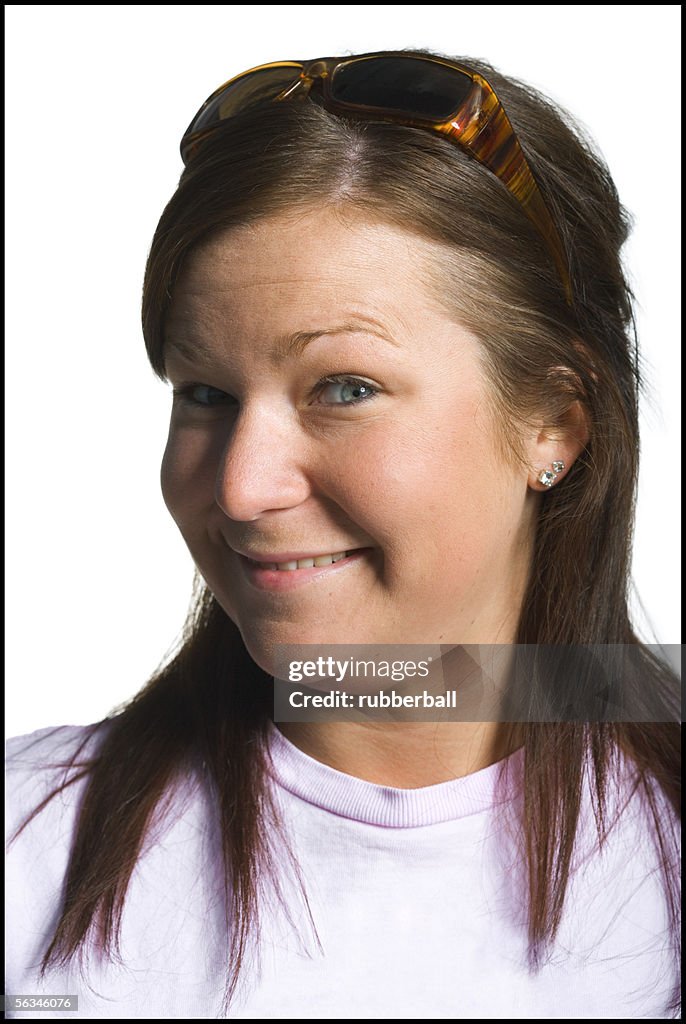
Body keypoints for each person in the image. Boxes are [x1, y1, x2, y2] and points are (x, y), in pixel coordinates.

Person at [6, 48, 680, 1019]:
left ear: (553, 419)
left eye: (344, 388)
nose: (241, 487)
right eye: (204, 394)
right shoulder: (29, 849)